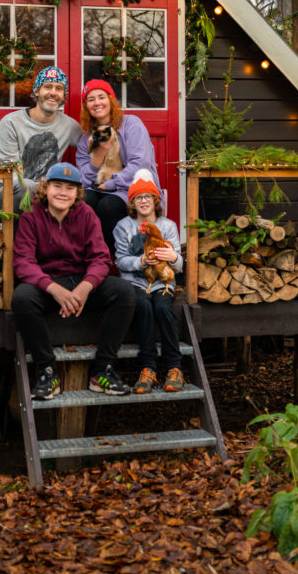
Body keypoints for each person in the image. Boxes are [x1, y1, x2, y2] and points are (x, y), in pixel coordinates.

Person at [11, 162, 135, 400]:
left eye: (70, 188)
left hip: (80, 281)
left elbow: (101, 258)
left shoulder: (87, 214)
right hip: (48, 284)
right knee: (21, 298)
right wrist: (54, 289)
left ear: (77, 192)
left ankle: (102, 370)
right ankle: (47, 371)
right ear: (45, 188)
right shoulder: (31, 215)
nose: (62, 192)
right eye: (57, 186)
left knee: (125, 292)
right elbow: (23, 262)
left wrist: (85, 288)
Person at [113, 169, 185, 394]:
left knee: (163, 307)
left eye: (148, 197)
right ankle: (148, 367)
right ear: (132, 203)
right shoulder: (123, 226)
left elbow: (179, 263)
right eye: (138, 197)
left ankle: (174, 367)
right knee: (143, 306)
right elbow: (120, 261)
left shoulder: (168, 226)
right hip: (135, 283)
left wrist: (172, 257)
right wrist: (142, 260)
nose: (143, 201)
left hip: (163, 282)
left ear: (156, 200)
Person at [76, 79, 163, 255]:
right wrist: (99, 155)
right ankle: (87, 260)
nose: (97, 103)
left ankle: (111, 261)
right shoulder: (85, 138)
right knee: (84, 202)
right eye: (90, 99)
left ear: (111, 100)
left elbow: (140, 163)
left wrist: (109, 184)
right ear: (86, 106)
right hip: (98, 188)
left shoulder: (131, 124)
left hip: (132, 188)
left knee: (108, 206)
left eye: (101, 97)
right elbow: (84, 178)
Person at [0, 67, 81, 213]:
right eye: (47, 87)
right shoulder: (11, 123)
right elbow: (9, 174)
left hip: (47, 196)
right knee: (27, 187)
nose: (53, 92)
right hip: (5, 191)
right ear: (37, 91)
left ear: (64, 96)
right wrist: (49, 192)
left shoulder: (70, 126)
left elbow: (91, 147)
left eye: (59, 88)